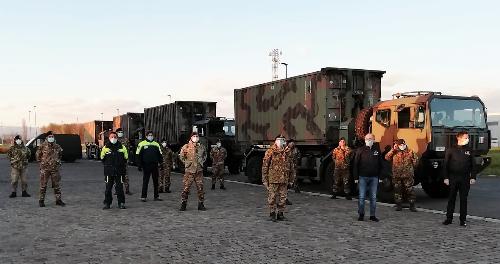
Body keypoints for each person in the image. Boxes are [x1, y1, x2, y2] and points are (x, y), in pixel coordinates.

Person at [443, 131, 476, 227]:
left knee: (463, 199)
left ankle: (463, 220)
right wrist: (446, 177)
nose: (467, 139)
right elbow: (445, 165)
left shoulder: (469, 150)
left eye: (467, 138)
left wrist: (473, 177)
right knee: (451, 198)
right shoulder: (451, 150)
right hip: (453, 177)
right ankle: (449, 219)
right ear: (459, 138)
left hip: (465, 178)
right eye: (466, 138)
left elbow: (473, 165)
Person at [262, 135, 293, 222]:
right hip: (273, 179)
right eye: (279, 140)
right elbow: (265, 166)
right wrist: (265, 179)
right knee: (272, 197)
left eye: (283, 140)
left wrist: (291, 180)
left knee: (283, 198)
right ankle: (272, 213)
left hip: (284, 179)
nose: (281, 142)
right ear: (275, 141)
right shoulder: (270, 152)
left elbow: (291, 167)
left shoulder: (287, 152)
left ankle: (280, 214)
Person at [353, 133, 382, 222]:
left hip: (374, 177)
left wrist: (380, 177)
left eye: (370, 139)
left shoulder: (377, 150)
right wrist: (356, 177)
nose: (368, 140)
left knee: (373, 197)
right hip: (363, 177)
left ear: (374, 140)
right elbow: (356, 164)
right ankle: (361, 214)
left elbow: (380, 164)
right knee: (362, 197)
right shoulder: (360, 150)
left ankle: (372, 215)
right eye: (367, 139)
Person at [385, 139, 419, 212]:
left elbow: (416, 162)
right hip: (397, 175)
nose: (402, 146)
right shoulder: (394, 152)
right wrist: (393, 149)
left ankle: (412, 205)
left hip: (408, 175)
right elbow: (387, 158)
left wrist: (413, 162)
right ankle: (399, 205)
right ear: (397, 145)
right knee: (398, 190)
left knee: (410, 190)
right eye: (400, 145)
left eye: (403, 145)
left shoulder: (410, 151)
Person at [36, 131, 65, 207]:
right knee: (43, 185)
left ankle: (58, 200)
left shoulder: (57, 146)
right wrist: (42, 163)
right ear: (47, 137)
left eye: (52, 136)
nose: (51, 138)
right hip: (45, 169)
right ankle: (41, 201)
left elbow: (60, 155)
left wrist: (56, 162)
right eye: (50, 137)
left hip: (54, 169)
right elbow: (37, 156)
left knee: (56, 185)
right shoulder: (42, 146)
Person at [179, 132, 207, 211]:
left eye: (197, 136)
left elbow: (205, 155)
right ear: (191, 137)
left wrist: (201, 162)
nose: (195, 138)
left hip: (199, 171)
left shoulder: (202, 147)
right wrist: (187, 163)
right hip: (189, 171)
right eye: (194, 136)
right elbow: (181, 156)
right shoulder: (186, 146)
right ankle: (183, 204)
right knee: (186, 188)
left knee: (200, 188)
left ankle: (201, 204)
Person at [101, 132, 127, 209]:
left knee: (119, 188)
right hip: (109, 172)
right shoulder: (105, 148)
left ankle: (121, 203)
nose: (113, 138)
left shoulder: (122, 147)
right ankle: (107, 203)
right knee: (108, 189)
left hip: (119, 171)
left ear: (117, 138)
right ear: (109, 138)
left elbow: (126, 158)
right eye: (112, 137)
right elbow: (102, 158)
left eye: (115, 137)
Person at [136, 131, 163, 202]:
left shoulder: (156, 144)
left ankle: (156, 196)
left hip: (154, 165)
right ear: (146, 136)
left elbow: (160, 155)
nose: (150, 136)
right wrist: (139, 165)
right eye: (149, 135)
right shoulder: (141, 144)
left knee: (156, 181)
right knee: (145, 181)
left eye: (151, 135)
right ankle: (143, 196)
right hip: (146, 165)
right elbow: (138, 155)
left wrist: (161, 163)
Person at [116, 128, 132, 195]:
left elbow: (128, 150)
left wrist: (128, 159)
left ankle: (127, 190)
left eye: (121, 132)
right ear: (116, 133)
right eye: (119, 132)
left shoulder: (126, 140)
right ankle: (117, 190)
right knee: (117, 176)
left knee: (125, 176)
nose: (120, 133)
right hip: (116, 161)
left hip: (124, 161)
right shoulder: (114, 140)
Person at [285, 139, 300, 205]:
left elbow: (298, 156)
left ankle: (295, 187)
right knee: (284, 184)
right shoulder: (285, 150)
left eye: (293, 143)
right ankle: (283, 199)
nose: (292, 144)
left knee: (292, 179)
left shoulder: (296, 150)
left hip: (292, 167)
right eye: (291, 143)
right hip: (285, 169)